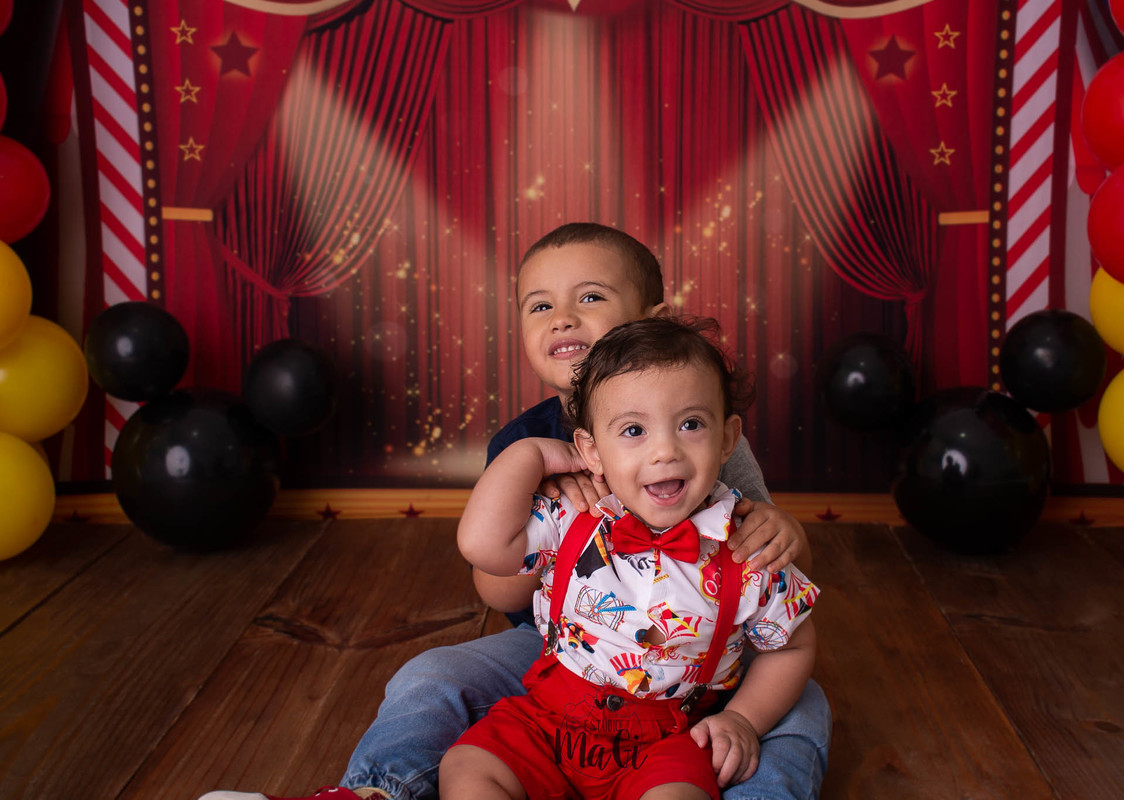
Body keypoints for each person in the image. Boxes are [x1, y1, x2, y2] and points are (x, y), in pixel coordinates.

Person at [198, 223, 830, 800]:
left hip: (696, 672)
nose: (562, 319)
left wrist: (785, 531)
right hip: (557, 653)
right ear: (587, 448)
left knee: (802, 708)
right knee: (432, 677)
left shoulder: (709, 436)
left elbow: (773, 560)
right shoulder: (521, 448)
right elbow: (494, 580)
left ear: (654, 322)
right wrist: (533, 468)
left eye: (590, 297)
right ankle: (381, 792)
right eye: (540, 306)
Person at [442, 315, 818, 799]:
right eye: (634, 430)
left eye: (690, 424)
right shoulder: (575, 513)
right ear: (592, 451)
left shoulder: (747, 547)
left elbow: (792, 646)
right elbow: (482, 546)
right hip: (549, 718)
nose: (664, 451)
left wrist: (743, 719)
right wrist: (530, 454)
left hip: (669, 739)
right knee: (467, 765)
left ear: (727, 439)